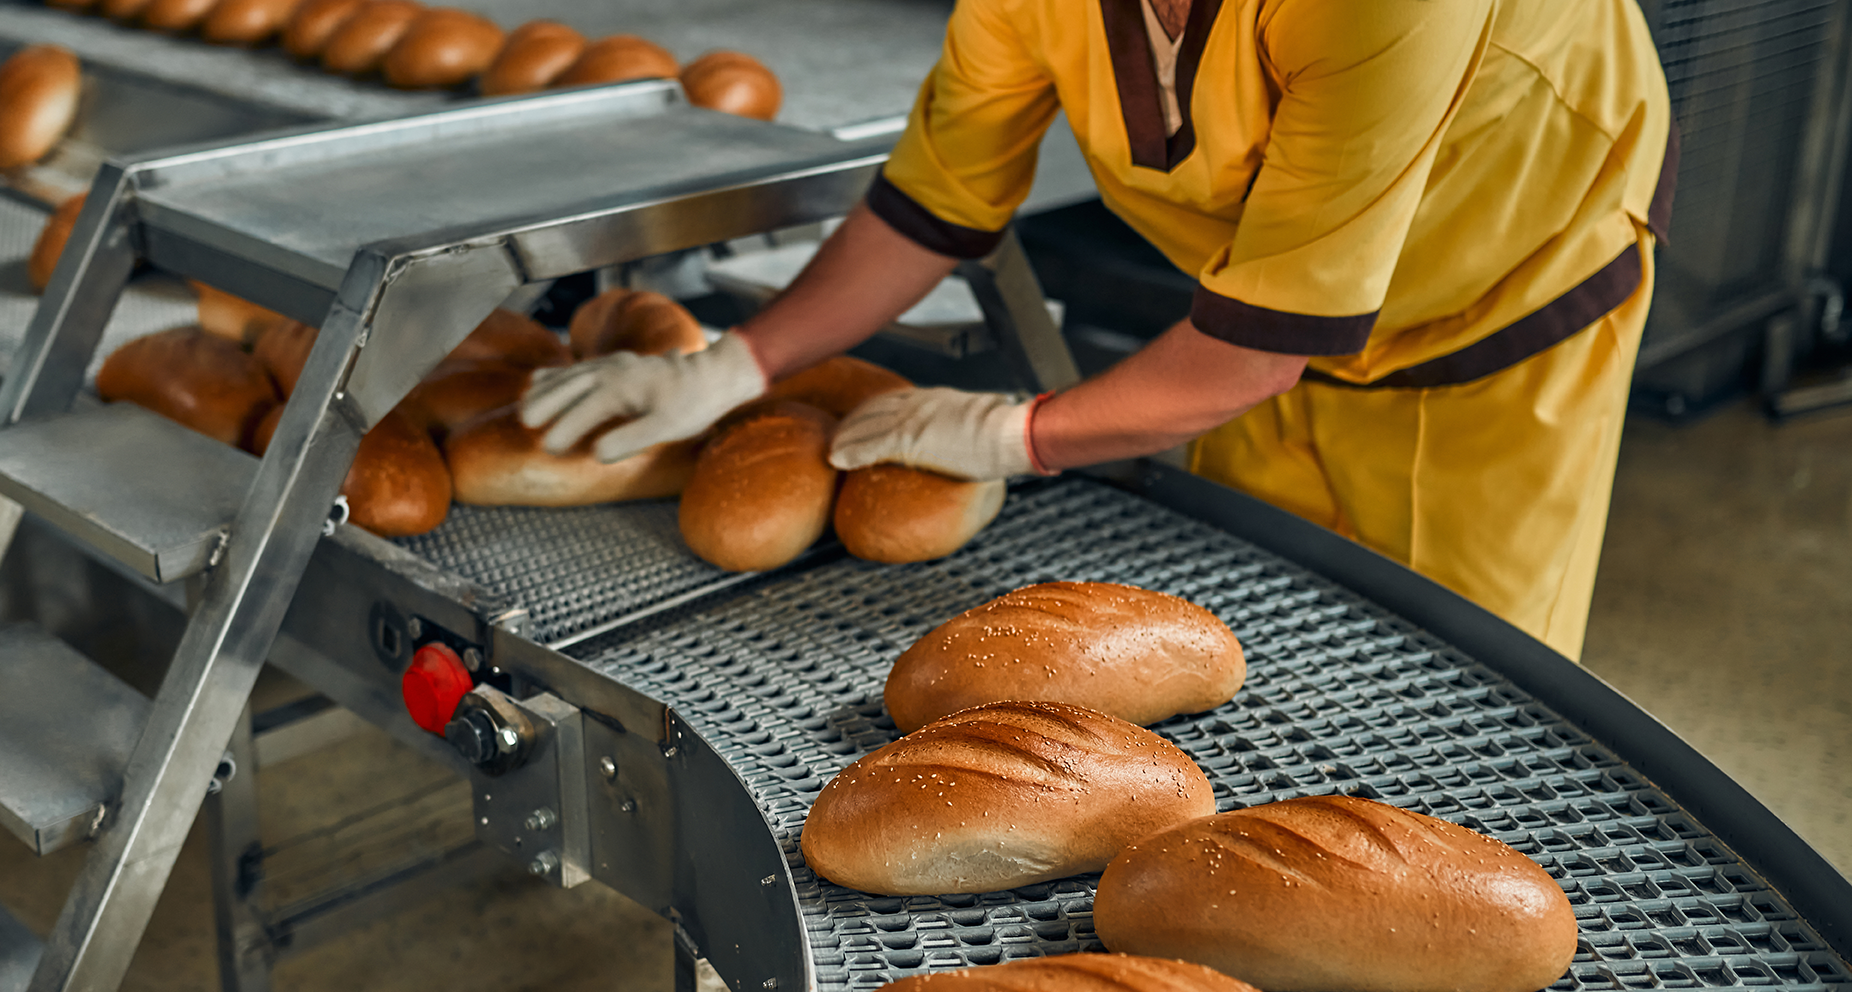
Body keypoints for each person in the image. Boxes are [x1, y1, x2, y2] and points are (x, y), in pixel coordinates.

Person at [524, 0, 1676, 659]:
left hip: (1495, 317)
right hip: (1249, 322)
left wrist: (1019, 432)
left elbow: (1257, 346)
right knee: (1254, 649)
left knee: (1457, 695)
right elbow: (934, 200)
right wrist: (741, 361)